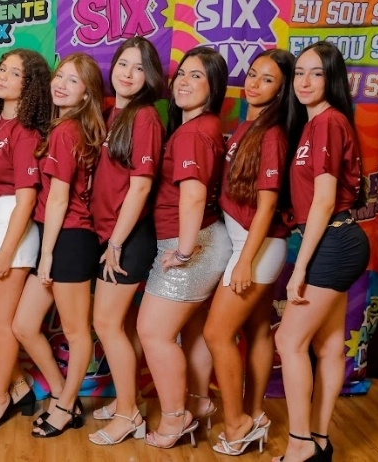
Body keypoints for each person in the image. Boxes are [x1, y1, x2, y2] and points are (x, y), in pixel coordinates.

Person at [273, 41, 370, 462]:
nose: (305, 81)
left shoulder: (328, 122)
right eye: (300, 73)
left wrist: (300, 268)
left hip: (334, 240)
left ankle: (300, 446)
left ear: (333, 80)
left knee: (289, 339)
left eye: (317, 73)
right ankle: (319, 441)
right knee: (328, 345)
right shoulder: (315, 124)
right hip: (338, 239)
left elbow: (325, 201)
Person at [135, 46, 230, 449]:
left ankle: (176, 419)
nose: (184, 83)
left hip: (191, 242)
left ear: (213, 88)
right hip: (203, 238)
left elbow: (193, 196)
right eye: (182, 74)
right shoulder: (202, 126)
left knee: (153, 332)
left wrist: (186, 251)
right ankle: (199, 402)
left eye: (197, 76)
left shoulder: (193, 133)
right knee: (190, 331)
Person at [202, 49, 295, 456]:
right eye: (253, 74)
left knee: (216, 333)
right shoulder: (248, 125)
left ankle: (237, 424)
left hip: (257, 247)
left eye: (267, 79)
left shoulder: (272, 134)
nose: (254, 83)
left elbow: (268, 205)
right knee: (257, 330)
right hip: (250, 242)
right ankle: (255, 414)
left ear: (282, 90)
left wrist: (244, 261)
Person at [11, 52, 106, 438]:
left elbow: (59, 198)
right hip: (57, 237)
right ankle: (65, 395)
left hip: (69, 239)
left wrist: (48, 253)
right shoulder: (66, 127)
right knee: (23, 325)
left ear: (87, 93)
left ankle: (65, 406)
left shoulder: (67, 131)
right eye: (59, 76)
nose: (61, 85)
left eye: (73, 80)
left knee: (76, 331)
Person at [87, 37, 164, 446]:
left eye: (138, 68)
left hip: (127, 238)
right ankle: (126, 398)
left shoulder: (145, 117)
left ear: (149, 77)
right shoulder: (109, 113)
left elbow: (140, 187)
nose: (129, 74)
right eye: (123, 64)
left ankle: (128, 414)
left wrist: (116, 242)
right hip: (107, 234)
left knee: (105, 322)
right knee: (120, 326)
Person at [0, 49, 52, 432]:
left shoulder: (25, 132)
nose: (3, 76)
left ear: (30, 85)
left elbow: (27, 200)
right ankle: (19, 386)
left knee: (0, 323)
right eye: (2, 69)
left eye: (15, 73)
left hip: (9, 226)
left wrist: (6, 251)